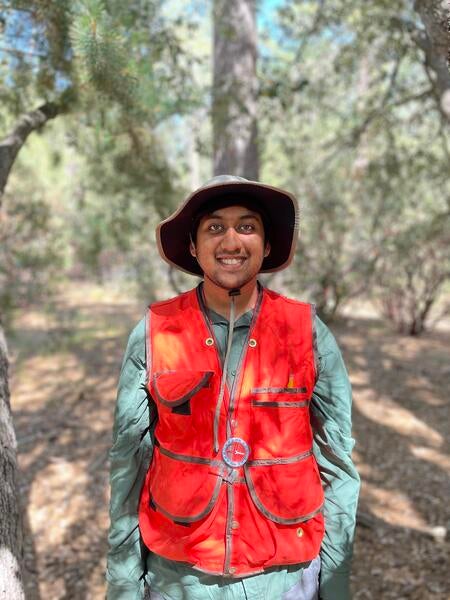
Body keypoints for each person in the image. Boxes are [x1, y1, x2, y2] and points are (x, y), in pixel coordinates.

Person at [106, 175, 360, 600]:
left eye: (246, 226)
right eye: (214, 227)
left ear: (266, 244)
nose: (231, 241)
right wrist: (123, 583)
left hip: (286, 578)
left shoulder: (307, 332)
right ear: (192, 245)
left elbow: (337, 463)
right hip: (179, 577)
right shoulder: (154, 332)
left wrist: (335, 583)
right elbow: (128, 460)